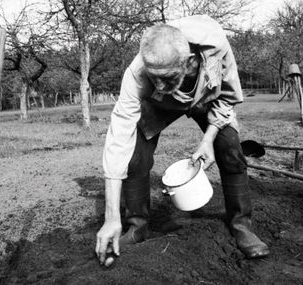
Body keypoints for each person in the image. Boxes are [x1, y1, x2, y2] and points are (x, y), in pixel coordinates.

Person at [95, 15, 270, 266]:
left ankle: (241, 225)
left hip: (205, 97)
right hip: (159, 106)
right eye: (153, 76)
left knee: (230, 146)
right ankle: (136, 227)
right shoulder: (137, 73)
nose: (158, 83)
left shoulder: (215, 45)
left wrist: (208, 138)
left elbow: (227, 97)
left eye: (166, 76)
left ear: (188, 62)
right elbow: (118, 138)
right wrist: (111, 217)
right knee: (134, 155)